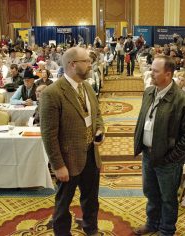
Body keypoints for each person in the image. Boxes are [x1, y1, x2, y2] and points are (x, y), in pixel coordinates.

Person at [40, 47, 105, 236]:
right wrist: (58, 165)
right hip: (67, 160)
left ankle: (90, 229)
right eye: (86, 61)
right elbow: (48, 134)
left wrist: (100, 129)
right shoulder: (52, 93)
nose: (90, 64)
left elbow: (97, 114)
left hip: (91, 156)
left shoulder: (87, 87)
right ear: (72, 64)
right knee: (63, 204)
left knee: (91, 199)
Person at [133, 55, 185, 236]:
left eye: (155, 71)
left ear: (168, 75)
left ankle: (167, 230)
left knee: (168, 198)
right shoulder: (149, 92)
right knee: (151, 192)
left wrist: (172, 158)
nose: (150, 73)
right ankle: (152, 223)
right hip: (148, 154)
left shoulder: (183, 101)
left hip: (168, 160)